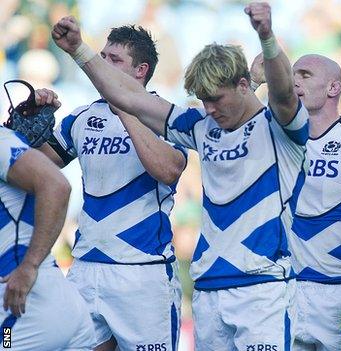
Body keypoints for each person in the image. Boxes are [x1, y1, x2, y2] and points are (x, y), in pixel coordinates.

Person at [51, 2, 307, 350]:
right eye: (204, 100)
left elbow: (284, 92)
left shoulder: (281, 128)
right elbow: (127, 96)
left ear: (245, 85)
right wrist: (79, 51)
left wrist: (266, 37)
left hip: (264, 287)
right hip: (208, 285)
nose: (210, 109)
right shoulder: (200, 126)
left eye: (215, 99)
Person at [35, 25, 186, 351]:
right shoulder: (81, 117)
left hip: (143, 273)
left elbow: (170, 170)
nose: (101, 66)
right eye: (100, 57)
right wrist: (27, 126)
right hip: (86, 268)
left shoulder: (166, 115)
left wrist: (126, 106)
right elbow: (34, 169)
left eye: (113, 60)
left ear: (140, 70)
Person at [251, 53, 341, 350]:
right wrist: (252, 82)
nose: (294, 80)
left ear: (333, 88)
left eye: (305, 74)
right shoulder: (272, 138)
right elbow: (218, 128)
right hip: (285, 289)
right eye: (291, 74)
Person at [0, 121, 95, 350]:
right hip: (55, 305)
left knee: (7, 342)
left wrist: (30, 265)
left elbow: (57, 186)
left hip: (22, 310)